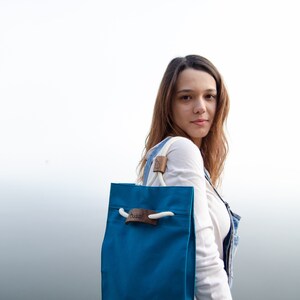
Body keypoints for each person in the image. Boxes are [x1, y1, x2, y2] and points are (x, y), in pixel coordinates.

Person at [138, 55, 240, 299]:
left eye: (209, 96)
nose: (200, 107)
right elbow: (202, 259)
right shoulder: (183, 151)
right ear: (168, 104)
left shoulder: (160, 156)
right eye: (186, 97)